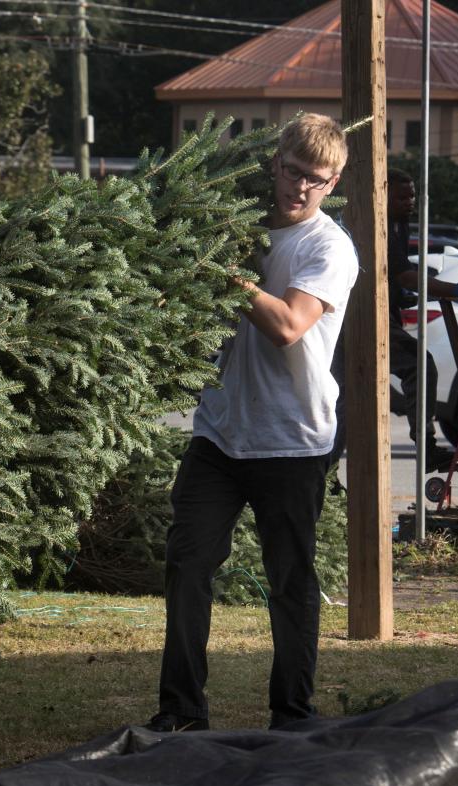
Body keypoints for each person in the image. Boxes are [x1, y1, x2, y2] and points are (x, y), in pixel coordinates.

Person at [149, 114, 358, 733]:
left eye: (315, 180)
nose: (299, 188)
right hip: (218, 433)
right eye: (292, 171)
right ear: (275, 163)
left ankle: (292, 714)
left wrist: (224, 270)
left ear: (333, 181)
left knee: (289, 579)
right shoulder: (238, 228)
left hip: (292, 440)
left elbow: (289, 324)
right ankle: (181, 711)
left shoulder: (328, 247)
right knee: (188, 565)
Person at [330, 169, 458, 471]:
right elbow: (402, 274)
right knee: (417, 367)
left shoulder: (398, 225)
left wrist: (406, 295)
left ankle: (327, 473)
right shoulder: (375, 222)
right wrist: (456, 290)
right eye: (402, 196)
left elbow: (393, 273)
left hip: (378, 315)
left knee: (346, 403)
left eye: (412, 195)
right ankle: (424, 447)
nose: (410, 201)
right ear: (382, 196)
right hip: (360, 321)